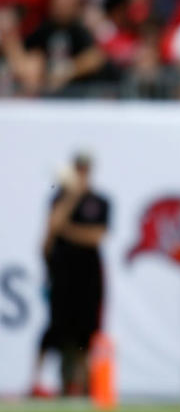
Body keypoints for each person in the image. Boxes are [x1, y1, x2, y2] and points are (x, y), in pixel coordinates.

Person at [31, 152, 109, 396]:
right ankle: (39, 381)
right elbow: (52, 228)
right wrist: (72, 197)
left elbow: (94, 237)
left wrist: (67, 230)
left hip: (87, 274)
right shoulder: (60, 199)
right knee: (57, 327)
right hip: (62, 272)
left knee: (86, 328)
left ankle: (84, 382)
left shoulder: (99, 201)